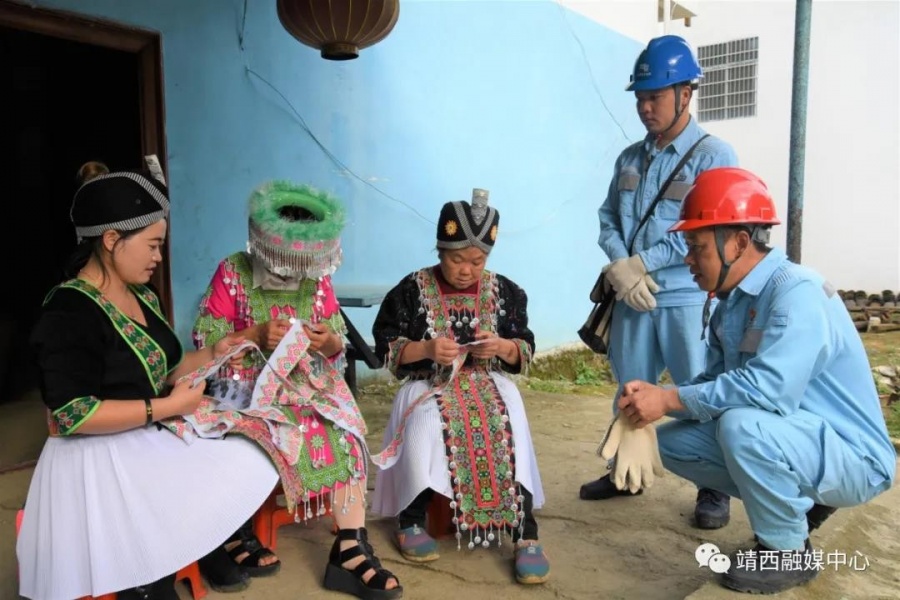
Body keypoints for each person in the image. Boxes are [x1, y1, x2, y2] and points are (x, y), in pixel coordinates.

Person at [610, 167, 896, 594]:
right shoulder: (731, 302)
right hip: (801, 438)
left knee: (742, 425)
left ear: (739, 242)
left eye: (696, 246)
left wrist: (668, 398)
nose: (688, 259)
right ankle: (801, 507)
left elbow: (767, 390)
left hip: (856, 458)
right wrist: (650, 403)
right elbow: (717, 379)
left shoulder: (794, 291)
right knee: (668, 443)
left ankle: (786, 552)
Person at [17, 164, 278, 600]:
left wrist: (218, 351)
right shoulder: (68, 312)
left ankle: (195, 552)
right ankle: (151, 575)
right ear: (111, 241)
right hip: (93, 459)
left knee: (254, 444)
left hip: (141, 436)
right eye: (153, 245)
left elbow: (165, 368)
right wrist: (168, 408)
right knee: (148, 554)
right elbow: (71, 416)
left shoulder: (142, 295)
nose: (159, 257)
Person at [191, 180, 401, 599]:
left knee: (345, 429)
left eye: (301, 267)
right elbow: (205, 339)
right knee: (257, 432)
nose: (294, 275)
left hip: (304, 385)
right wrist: (253, 334)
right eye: (283, 263)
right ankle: (235, 528)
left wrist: (327, 342)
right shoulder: (232, 271)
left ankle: (350, 546)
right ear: (264, 247)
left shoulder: (316, 279)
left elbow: (337, 339)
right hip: (242, 389)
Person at [581, 35, 739, 531]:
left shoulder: (713, 155)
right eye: (640, 98)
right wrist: (620, 266)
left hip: (685, 296)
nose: (645, 107)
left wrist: (641, 263)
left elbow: (705, 229)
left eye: (655, 96)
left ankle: (714, 486)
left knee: (694, 389)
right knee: (628, 385)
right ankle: (624, 470)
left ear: (686, 94)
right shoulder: (629, 158)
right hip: (631, 297)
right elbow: (608, 216)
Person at [371, 189, 550, 585]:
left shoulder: (505, 291)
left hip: (487, 380)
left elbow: (524, 346)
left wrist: (501, 346)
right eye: (457, 259)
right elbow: (386, 345)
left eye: (477, 260)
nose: (467, 270)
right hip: (427, 382)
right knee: (426, 425)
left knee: (509, 420)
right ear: (440, 249)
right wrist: (427, 348)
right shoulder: (411, 290)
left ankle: (525, 532)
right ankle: (411, 519)